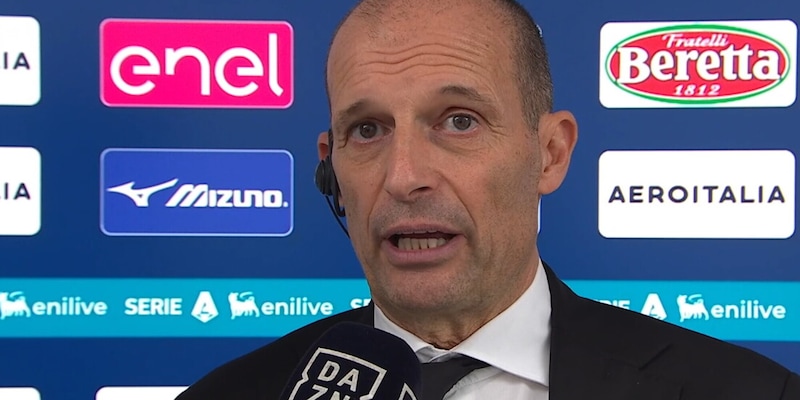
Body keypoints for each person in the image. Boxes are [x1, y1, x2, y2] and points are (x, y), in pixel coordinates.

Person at [175, 0, 800, 399]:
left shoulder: (748, 392)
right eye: (367, 130)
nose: (403, 177)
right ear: (330, 168)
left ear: (549, 153)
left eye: (459, 121)